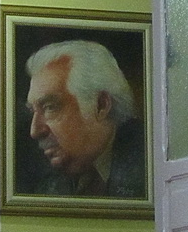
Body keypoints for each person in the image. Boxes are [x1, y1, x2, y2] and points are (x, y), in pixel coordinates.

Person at [24, 39, 145, 198]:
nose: (35, 131)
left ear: (101, 105)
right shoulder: (48, 188)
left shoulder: (151, 168)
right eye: (33, 111)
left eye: (50, 107)